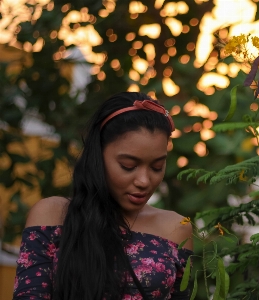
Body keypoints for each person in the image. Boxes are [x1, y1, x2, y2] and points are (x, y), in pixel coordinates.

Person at [13, 92, 193, 300]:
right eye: (128, 166)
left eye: (156, 167)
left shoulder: (176, 229)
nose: (144, 181)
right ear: (98, 156)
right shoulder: (52, 216)